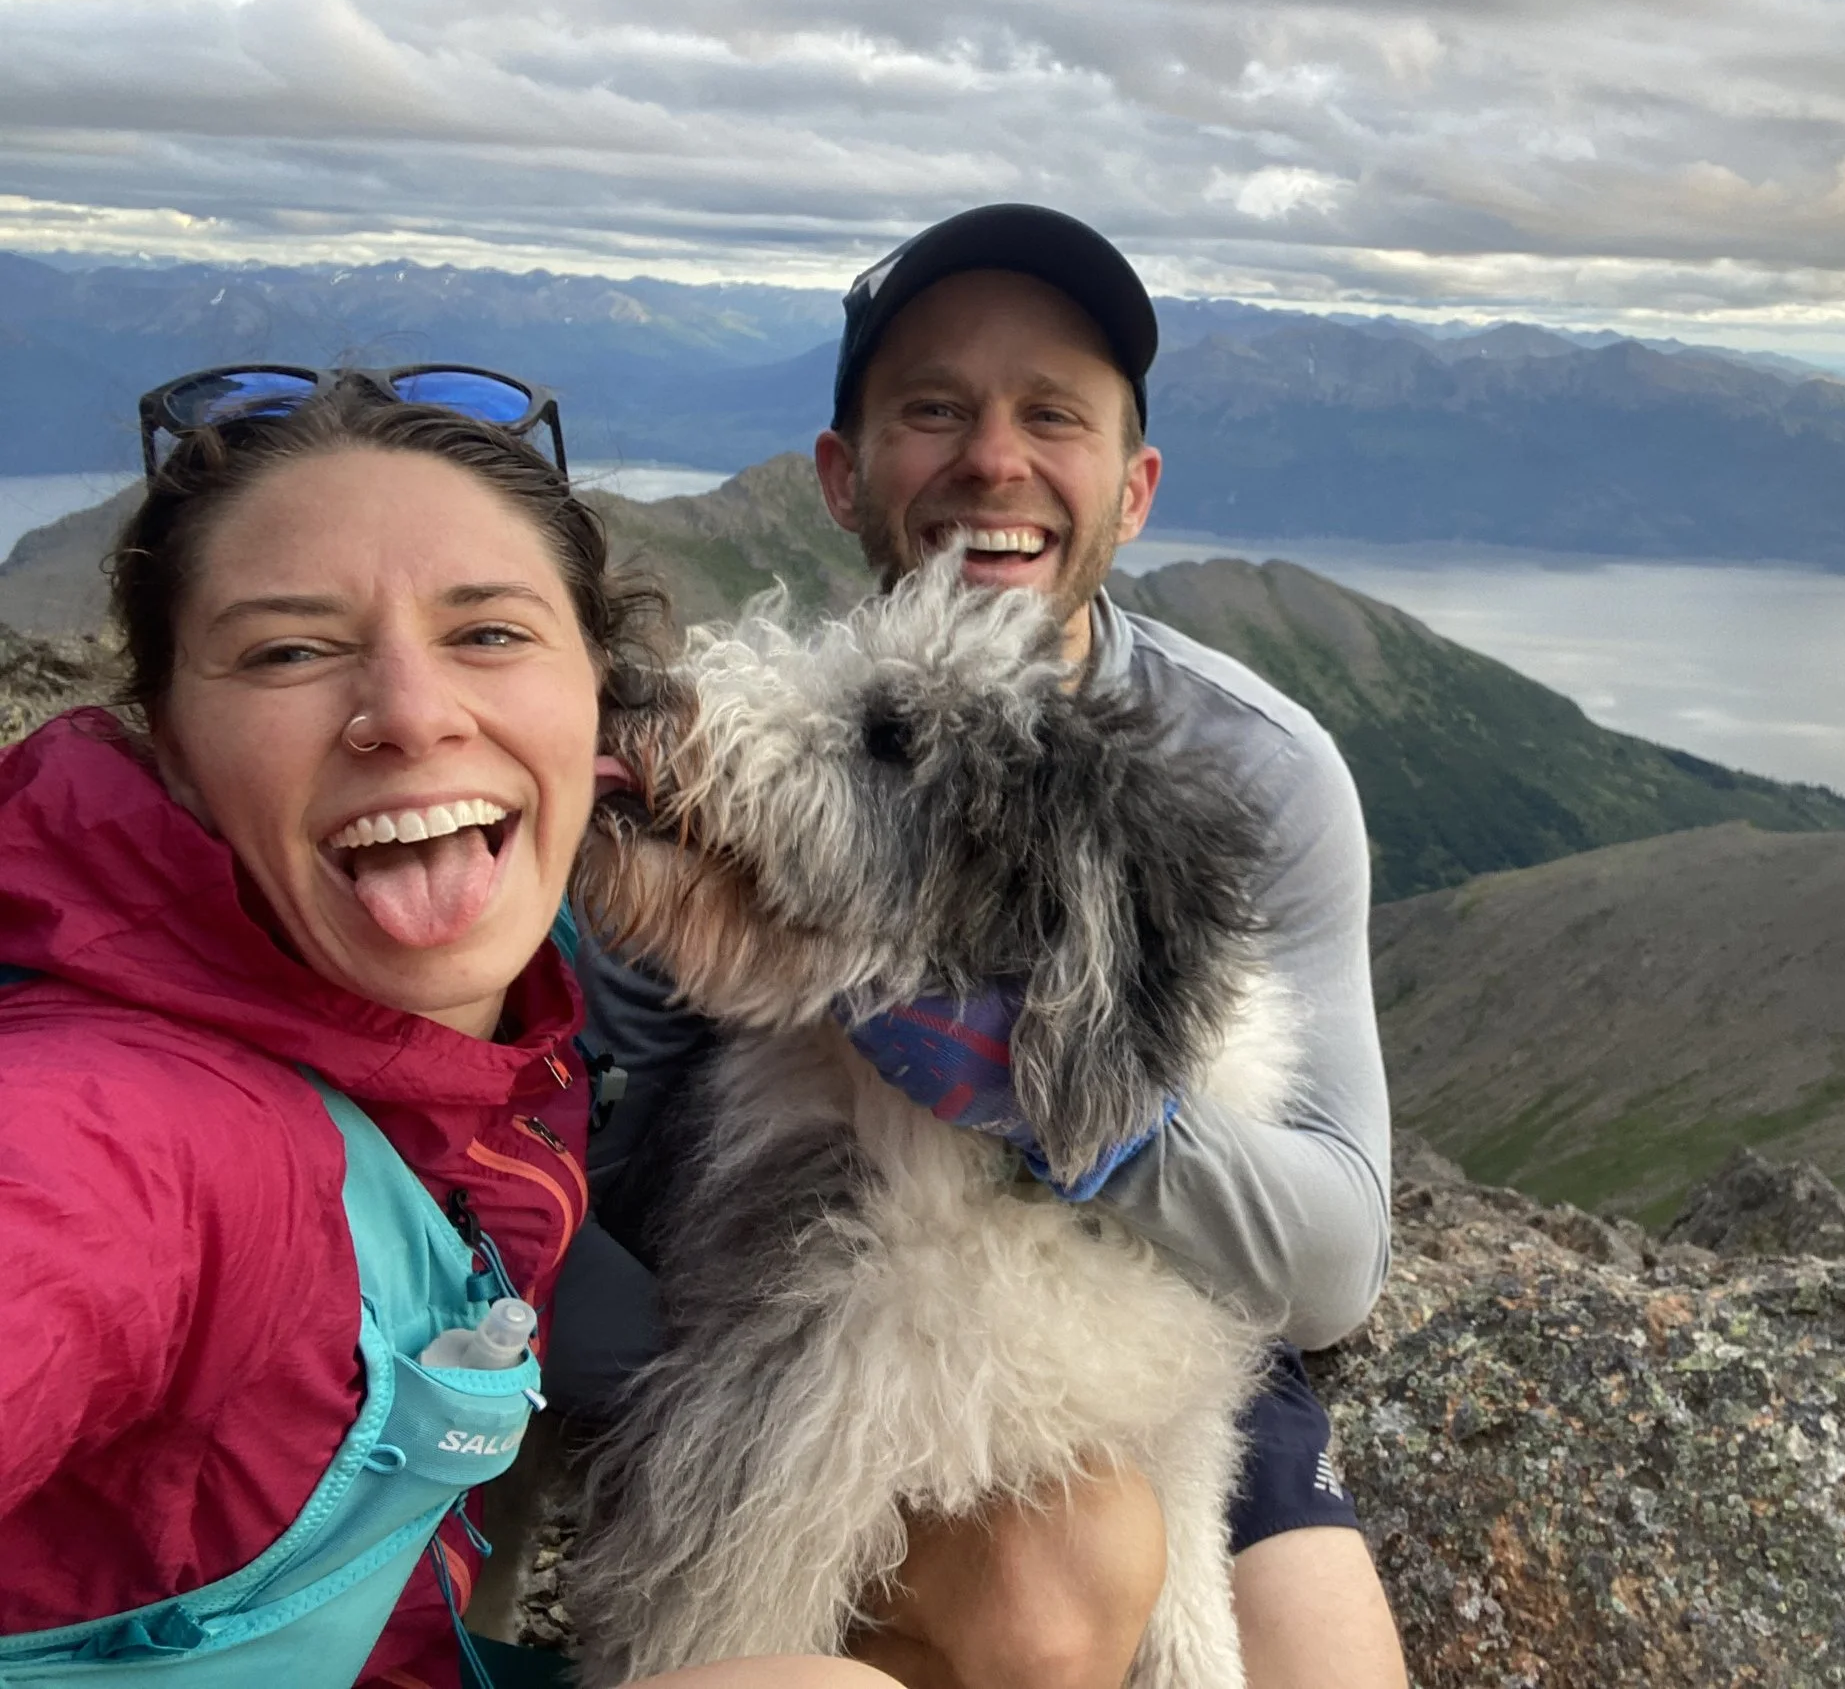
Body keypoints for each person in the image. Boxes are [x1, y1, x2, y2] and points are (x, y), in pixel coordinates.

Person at [571, 205, 1407, 1689]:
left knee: (1325, 1667)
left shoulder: (1263, 768)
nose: (994, 461)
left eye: (1053, 415)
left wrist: (1059, 1105)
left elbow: (1333, 1261)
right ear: (843, 472)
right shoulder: (717, 775)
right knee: (1034, 1592)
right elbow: (616, 1140)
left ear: (1134, 489)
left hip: (1163, 1273)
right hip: (803, 1279)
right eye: (935, 409)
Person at [0, 370, 898, 1689]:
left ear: (600, 701)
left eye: (487, 633)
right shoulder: (132, 1132)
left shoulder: (517, 1016)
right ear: (172, 747)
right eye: (288, 651)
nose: (412, 714)